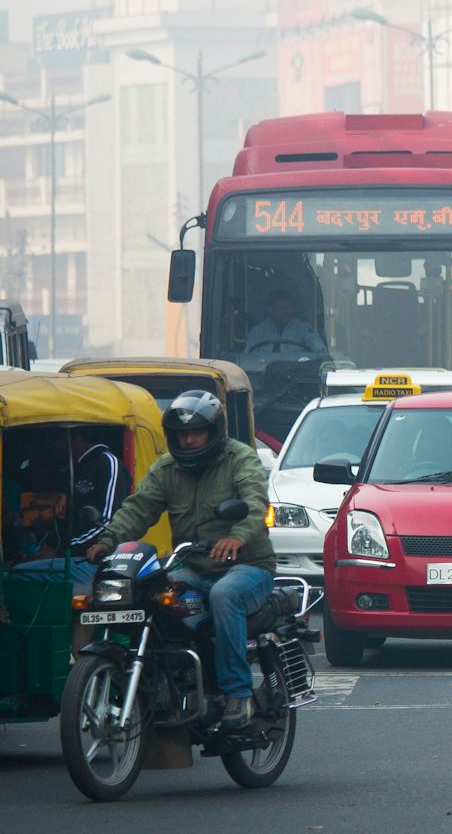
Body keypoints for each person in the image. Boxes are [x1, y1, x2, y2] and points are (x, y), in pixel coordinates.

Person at [87, 391, 272, 729]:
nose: (188, 441)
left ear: (214, 431)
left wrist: (237, 537)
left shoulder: (239, 459)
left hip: (248, 567)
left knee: (224, 595)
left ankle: (237, 694)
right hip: (194, 567)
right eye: (181, 434)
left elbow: (255, 502)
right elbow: (139, 508)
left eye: (196, 432)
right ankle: (163, 682)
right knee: (152, 592)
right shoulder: (167, 469)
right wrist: (108, 541)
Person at [245, 288, 326, 357]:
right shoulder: (257, 333)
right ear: (270, 310)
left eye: (290, 307)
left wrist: (321, 350)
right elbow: (248, 358)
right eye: (283, 309)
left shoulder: (303, 329)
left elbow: (317, 344)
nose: (288, 312)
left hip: (297, 371)